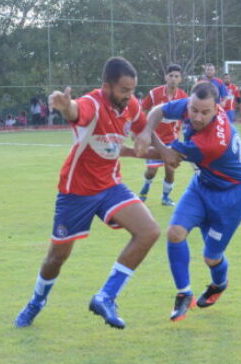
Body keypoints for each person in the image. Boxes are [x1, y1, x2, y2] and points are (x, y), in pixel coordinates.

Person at [15, 57, 169, 330]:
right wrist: (66, 107)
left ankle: (106, 296)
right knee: (56, 258)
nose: (129, 96)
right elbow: (77, 112)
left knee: (149, 231)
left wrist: (156, 143)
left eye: (132, 90)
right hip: (76, 192)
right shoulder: (92, 103)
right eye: (124, 90)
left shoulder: (130, 105)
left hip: (110, 186)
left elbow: (142, 126)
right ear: (106, 86)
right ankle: (36, 301)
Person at [135, 81, 241, 322]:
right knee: (175, 233)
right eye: (193, 110)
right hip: (202, 185)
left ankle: (219, 284)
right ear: (190, 102)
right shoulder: (194, 105)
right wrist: (146, 131)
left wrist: (129, 144)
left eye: (205, 112)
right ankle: (183, 293)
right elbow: (158, 111)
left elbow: (168, 157)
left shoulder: (212, 142)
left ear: (217, 108)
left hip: (231, 196)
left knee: (211, 257)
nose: (197, 117)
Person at [138, 64, 189, 206]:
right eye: (171, 75)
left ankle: (165, 198)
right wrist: (145, 129)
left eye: (176, 76)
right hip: (155, 140)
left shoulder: (184, 97)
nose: (173, 79)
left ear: (180, 79)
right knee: (151, 171)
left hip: (172, 141)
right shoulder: (154, 94)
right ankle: (145, 189)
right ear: (166, 77)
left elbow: (187, 118)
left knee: (170, 171)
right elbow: (143, 109)